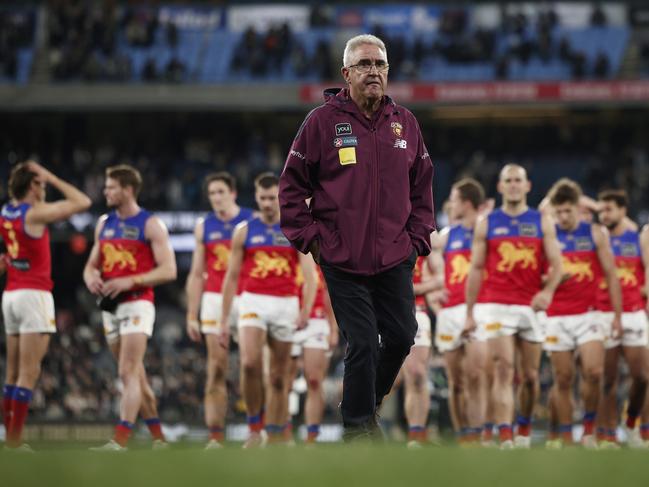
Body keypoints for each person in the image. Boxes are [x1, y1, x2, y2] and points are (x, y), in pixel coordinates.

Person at [279, 33, 434, 441]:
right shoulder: (320, 122)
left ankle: (364, 403)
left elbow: (423, 187)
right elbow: (291, 188)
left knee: (402, 336)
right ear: (346, 74)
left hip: (394, 256)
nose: (374, 71)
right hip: (342, 258)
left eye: (380, 64)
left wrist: (417, 240)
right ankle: (357, 430)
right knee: (363, 342)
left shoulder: (406, 123)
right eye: (365, 64)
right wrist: (313, 240)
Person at [465, 164, 563, 449]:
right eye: (508, 180)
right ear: (500, 186)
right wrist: (471, 312)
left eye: (518, 180)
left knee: (531, 377)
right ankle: (505, 434)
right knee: (504, 369)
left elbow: (558, 264)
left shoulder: (542, 221)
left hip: (531, 307)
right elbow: (476, 268)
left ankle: (524, 427)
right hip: (497, 305)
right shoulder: (488, 222)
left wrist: (547, 292)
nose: (513, 185)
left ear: (528, 185)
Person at [219, 173, 317, 448]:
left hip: (286, 303)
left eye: (271, 198)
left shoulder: (294, 230)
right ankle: (254, 429)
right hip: (253, 301)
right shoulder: (245, 231)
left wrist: (306, 309)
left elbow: (310, 276)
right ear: (256, 198)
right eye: (261, 198)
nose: (266, 203)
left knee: (278, 377)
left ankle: (274, 434)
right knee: (250, 363)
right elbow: (231, 277)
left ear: (281, 197)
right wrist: (224, 321)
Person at [83, 164, 177, 451]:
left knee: (127, 371)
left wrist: (130, 281)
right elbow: (91, 265)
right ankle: (160, 440)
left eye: (111, 187)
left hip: (138, 304)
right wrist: (91, 278)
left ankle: (120, 440)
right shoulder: (104, 223)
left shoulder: (150, 224)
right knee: (136, 375)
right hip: (110, 307)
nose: (105, 191)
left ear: (127, 190)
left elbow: (169, 270)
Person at [0, 162, 90, 451]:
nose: (45, 189)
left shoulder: (6, 212)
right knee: (30, 372)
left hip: (11, 294)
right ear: (32, 187)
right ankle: (14, 442)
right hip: (34, 295)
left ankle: (9, 437)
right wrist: (52, 175)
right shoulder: (36, 214)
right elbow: (82, 202)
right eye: (41, 185)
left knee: (12, 373)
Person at [542, 179, 622, 450]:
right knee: (563, 379)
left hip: (590, 315)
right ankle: (567, 437)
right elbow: (537, 275)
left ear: (578, 209)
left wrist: (617, 317)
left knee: (595, 372)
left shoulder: (596, 233)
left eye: (568, 211)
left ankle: (588, 430)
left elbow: (612, 276)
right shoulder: (547, 235)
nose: (563, 217)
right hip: (556, 316)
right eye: (559, 212)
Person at [185, 172, 254, 449]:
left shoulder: (252, 220)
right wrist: (192, 312)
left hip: (248, 297)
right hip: (213, 298)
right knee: (216, 368)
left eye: (220, 192)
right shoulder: (204, 226)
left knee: (252, 367)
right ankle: (215, 437)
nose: (216, 198)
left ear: (233, 193)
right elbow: (196, 272)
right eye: (212, 193)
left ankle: (255, 430)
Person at [430, 178, 488, 446]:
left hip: (477, 309)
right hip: (449, 311)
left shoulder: (486, 231)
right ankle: (462, 434)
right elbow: (424, 256)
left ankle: (478, 433)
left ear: (466, 203)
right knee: (455, 382)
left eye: (453, 199)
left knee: (476, 375)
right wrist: (432, 293)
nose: (450, 205)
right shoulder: (447, 235)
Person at [594, 190, 649, 449]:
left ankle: (633, 424)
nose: (603, 215)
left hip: (634, 313)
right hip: (603, 313)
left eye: (609, 210)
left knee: (643, 377)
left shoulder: (638, 238)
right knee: (607, 379)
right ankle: (607, 435)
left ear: (623, 211)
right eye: (600, 210)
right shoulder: (595, 239)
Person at [289, 260, 338, 444]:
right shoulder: (287, 249)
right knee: (282, 382)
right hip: (289, 317)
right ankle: (281, 432)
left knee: (315, 380)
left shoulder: (320, 251)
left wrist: (333, 328)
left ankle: (311, 437)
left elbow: (328, 291)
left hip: (317, 320)